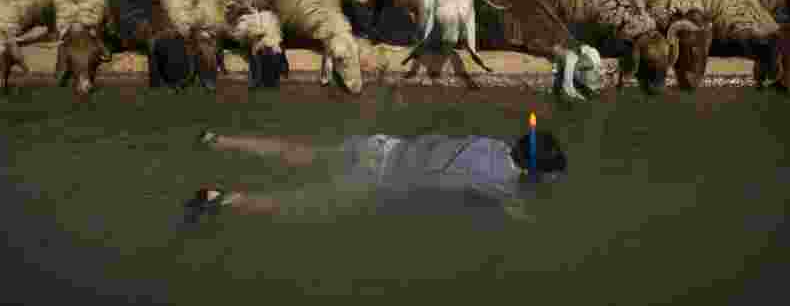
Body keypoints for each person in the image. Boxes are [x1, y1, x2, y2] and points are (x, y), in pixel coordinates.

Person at [183, 128, 568, 224]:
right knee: (298, 201)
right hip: (379, 177)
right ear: (534, 171)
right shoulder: (506, 183)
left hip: (382, 145)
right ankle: (222, 199)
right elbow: (515, 210)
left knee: (299, 154)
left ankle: (218, 140)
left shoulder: (494, 143)